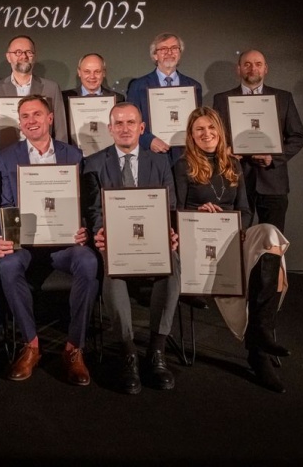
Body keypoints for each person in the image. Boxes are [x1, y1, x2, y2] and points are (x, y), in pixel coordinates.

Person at [174, 106, 291, 393]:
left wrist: (236, 228)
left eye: (211, 127)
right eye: (200, 129)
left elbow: (245, 210)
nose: (207, 134)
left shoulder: (233, 165)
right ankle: (258, 349)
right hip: (198, 240)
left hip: (232, 236)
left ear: (220, 131)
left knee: (270, 236)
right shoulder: (183, 165)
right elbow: (174, 211)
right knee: (263, 268)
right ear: (191, 135)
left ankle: (260, 332)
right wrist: (198, 214)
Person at [0, 95, 98, 386]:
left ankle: (74, 348)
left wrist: (84, 228)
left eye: (37, 114)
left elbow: (84, 204)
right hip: (25, 244)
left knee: (88, 261)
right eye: (25, 116)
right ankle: (31, 345)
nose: (31, 121)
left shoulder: (73, 155)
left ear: (50, 118)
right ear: (20, 123)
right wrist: (0, 236)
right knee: (7, 265)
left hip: (64, 244)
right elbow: (5, 204)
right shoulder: (6, 157)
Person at [83, 102, 179, 394]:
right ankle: (128, 352)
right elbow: (94, 208)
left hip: (153, 237)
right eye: (119, 123)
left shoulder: (159, 162)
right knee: (112, 265)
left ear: (142, 128)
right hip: (114, 238)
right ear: (110, 129)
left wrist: (169, 232)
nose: (125, 129)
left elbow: (169, 204)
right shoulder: (94, 162)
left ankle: (157, 349)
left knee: (172, 263)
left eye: (131, 122)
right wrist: (99, 232)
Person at [212, 49, 303, 233]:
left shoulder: (283, 98)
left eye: (258, 64)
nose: (252, 68)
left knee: (272, 241)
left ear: (265, 69)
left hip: (273, 182)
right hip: (235, 179)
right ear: (238, 69)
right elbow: (214, 138)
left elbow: (298, 137)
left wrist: (273, 157)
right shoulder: (221, 99)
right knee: (235, 239)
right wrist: (226, 150)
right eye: (247, 64)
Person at [0, 35, 68, 150]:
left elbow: (61, 131)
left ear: (34, 56)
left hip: (43, 156)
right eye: (18, 52)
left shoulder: (51, 88)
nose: (24, 56)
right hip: (7, 155)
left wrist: (60, 155)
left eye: (28, 52)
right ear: (8, 57)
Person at [126, 32, 203, 164]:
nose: (169, 52)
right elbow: (130, 123)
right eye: (163, 49)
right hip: (151, 156)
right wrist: (149, 140)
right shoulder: (138, 86)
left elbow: (198, 122)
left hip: (186, 156)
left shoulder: (194, 86)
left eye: (174, 48)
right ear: (155, 55)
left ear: (180, 53)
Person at [62, 53, 126, 102]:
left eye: (97, 72)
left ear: (104, 73)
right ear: (79, 72)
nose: (92, 76)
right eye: (87, 72)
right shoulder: (63, 98)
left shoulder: (118, 99)